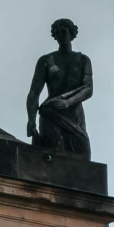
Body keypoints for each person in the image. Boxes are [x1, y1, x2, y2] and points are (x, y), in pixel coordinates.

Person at [26, 18, 93, 158]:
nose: (60, 35)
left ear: (72, 33)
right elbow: (34, 93)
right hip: (50, 113)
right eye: (56, 33)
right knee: (51, 157)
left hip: (74, 115)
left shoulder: (83, 60)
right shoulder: (46, 60)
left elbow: (88, 89)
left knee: (82, 158)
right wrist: (31, 120)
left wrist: (67, 102)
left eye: (63, 31)